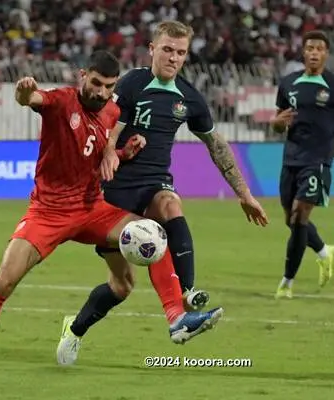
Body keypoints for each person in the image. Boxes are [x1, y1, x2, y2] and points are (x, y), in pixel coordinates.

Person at [0, 51, 223, 371]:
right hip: (47, 213)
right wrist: (23, 92)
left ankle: (176, 318)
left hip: (91, 209)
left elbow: (96, 150)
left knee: (151, 233)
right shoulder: (61, 101)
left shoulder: (112, 110)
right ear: (83, 75)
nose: (101, 92)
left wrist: (122, 153)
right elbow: (32, 98)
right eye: (96, 83)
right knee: (4, 281)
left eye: (108, 86)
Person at [56, 20, 269, 366]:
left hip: (154, 184)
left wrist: (244, 193)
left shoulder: (189, 97)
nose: (173, 57)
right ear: (152, 49)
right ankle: (75, 329)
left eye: (180, 52)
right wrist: (110, 152)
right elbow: (110, 127)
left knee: (169, 205)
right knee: (122, 285)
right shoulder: (133, 84)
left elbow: (216, 144)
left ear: (187, 56)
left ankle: (185, 298)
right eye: (167, 49)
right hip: (113, 193)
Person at [270, 30, 334, 298]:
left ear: (326, 54)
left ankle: (287, 282)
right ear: (303, 51)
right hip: (290, 160)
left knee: (299, 216)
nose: (313, 52)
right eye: (309, 47)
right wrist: (275, 124)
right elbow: (280, 123)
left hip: (318, 161)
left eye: (319, 48)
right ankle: (324, 251)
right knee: (290, 219)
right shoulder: (288, 83)